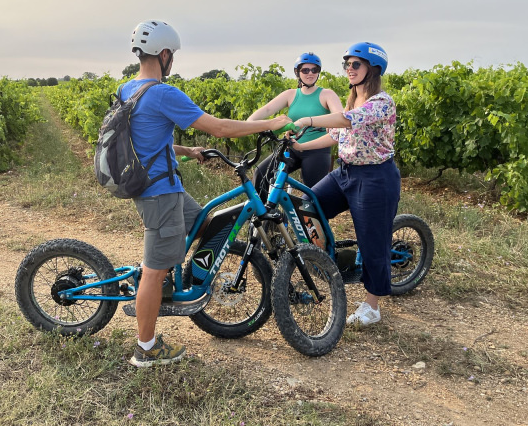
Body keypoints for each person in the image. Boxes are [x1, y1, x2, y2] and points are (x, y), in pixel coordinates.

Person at [123, 20, 290, 367]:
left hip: (164, 188)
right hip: (159, 194)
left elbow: (149, 137)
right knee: (153, 269)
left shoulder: (130, 89)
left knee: (204, 225)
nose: (173, 62)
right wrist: (271, 124)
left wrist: (185, 151)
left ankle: (168, 281)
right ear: (165, 54)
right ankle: (146, 348)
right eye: (173, 56)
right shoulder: (162, 93)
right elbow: (220, 127)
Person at [291, 42, 400, 327]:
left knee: (372, 240)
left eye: (355, 64)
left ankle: (372, 306)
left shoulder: (381, 102)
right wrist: (300, 147)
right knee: (307, 206)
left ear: (372, 69)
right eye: (346, 64)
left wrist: (309, 118)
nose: (349, 69)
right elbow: (335, 136)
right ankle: (327, 260)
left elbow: (346, 121)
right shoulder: (352, 100)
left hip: (375, 177)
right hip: (345, 173)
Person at [247, 52, 343, 196]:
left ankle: (311, 219)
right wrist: (250, 123)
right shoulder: (291, 94)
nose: (310, 73)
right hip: (291, 147)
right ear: (297, 72)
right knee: (261, 174)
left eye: (314, 70)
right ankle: (263, 215)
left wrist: (332, 122)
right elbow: (267, 109)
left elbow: (340, 116)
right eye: (305, 70)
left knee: (313, 193)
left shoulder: (327, 94)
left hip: (317, 150)